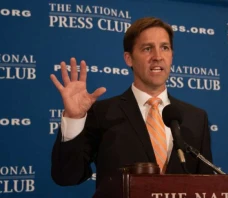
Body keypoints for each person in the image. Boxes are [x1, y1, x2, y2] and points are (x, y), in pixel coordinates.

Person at [50, 16, 214, 195]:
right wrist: (74, 119)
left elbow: (206, 187)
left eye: (165, 48)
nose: (157, 57)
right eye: (147, 48)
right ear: (129, 59)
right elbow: (67, 177)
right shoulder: (102, 113)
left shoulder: (196, 118)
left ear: (171, 56)